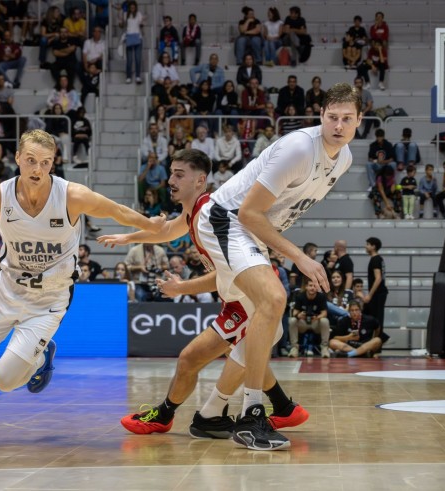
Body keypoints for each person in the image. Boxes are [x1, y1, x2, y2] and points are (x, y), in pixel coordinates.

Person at [153, 83, 359, 450]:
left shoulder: (343, 159)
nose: (339, 126)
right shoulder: (299, 148)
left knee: (266, 328)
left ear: (359, 121)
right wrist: (298, 255)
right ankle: (252, 414)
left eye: (347, 119)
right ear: (321, 117)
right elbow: (249, 212)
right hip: (226, 220)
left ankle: (211, 415)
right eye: (332, 118)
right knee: (273, 298)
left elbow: (272, 214)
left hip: (254, 233)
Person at [0, 130, 164, 438]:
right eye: (31, 161)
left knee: (4, 380)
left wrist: (151, 223)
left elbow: (117, 211)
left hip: (49, 299)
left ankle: (41, 354)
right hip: (5, 292)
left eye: (45, 162)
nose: (37, 169)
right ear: (18, 158)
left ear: (53, 163)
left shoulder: (71, 195)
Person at [98, 149, 308, 442]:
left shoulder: (209, 213)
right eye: (171, 172)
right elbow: (167, 230)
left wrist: (181, 288)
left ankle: (193, 415)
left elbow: (227, 271)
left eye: (179, 174)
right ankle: (283, 406)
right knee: (190, 359)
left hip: (250, 304)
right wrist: (128, 238)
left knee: (234, 356)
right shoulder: (195, 212)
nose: (171, 179)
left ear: (200, 181)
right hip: (235, 303)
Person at [286, 277, 330, 357]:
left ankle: (324, 348)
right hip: (303, 322)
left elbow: (324, 313)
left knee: (325, 321)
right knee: (292, 320)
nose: (312, 288)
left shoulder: (321, 297)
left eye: (314, 286)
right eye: (310, 285)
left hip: (315, 322)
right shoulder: (300, 296)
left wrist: (317, 317)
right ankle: (294, 348)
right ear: (306, 286)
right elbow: (295, 312)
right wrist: (299, 315)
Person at [361, 237, 388, 329]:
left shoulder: (375, 260)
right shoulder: (378, 259)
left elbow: (378, 278)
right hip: (379, 293)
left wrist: (370, 295)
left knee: (377, 317)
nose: (366, 246)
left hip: (378, 294)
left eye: (368, 244)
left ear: (373, 246)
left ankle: (378, 338)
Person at [123, 0, 144, 84]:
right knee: (129, 59)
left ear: (135, 8)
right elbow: (122, 25)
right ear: (129, 8)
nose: (132, 9)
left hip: (138, 37)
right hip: (129, 37)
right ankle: (128, 76)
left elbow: (141, 24)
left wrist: (142, 24)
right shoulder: (125, 14)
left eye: (133, 7)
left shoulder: (139, 14)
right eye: (131, 7)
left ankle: (138, 76)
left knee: (138, 59)